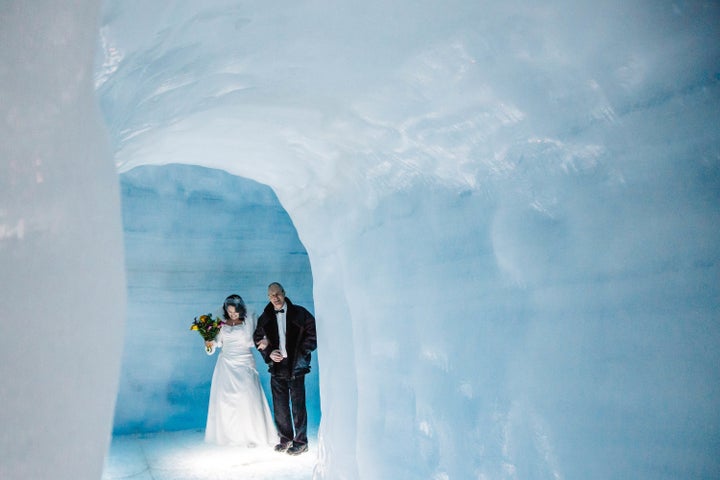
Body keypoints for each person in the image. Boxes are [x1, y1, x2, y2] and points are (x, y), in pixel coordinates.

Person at [204, 294, 278, 447]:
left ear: (241, 310)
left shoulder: (250, 319)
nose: (232, 315)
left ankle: (252, 436)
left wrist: (266, 341)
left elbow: (261, 335)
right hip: (226, 363)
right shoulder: (220, 323)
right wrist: (208, 343)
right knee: (227, 400)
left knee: (248, 397)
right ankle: (229, 436)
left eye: (235, 312)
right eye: (230, 312)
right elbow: (215, 344)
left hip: (244, 361)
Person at [254, 282, 317, 455]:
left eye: (277, 293)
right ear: (268, 297)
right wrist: (268, 353)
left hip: (296, 366)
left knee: (298, 406)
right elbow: (258, 338)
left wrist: (301, 353)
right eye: (271, 295)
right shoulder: (265, 317)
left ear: (284, 292)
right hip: (277, 367)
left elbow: (313, 334)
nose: (275, 297)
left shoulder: (301, 313)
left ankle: (301, 441)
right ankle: (286, 439)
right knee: (280, 406)